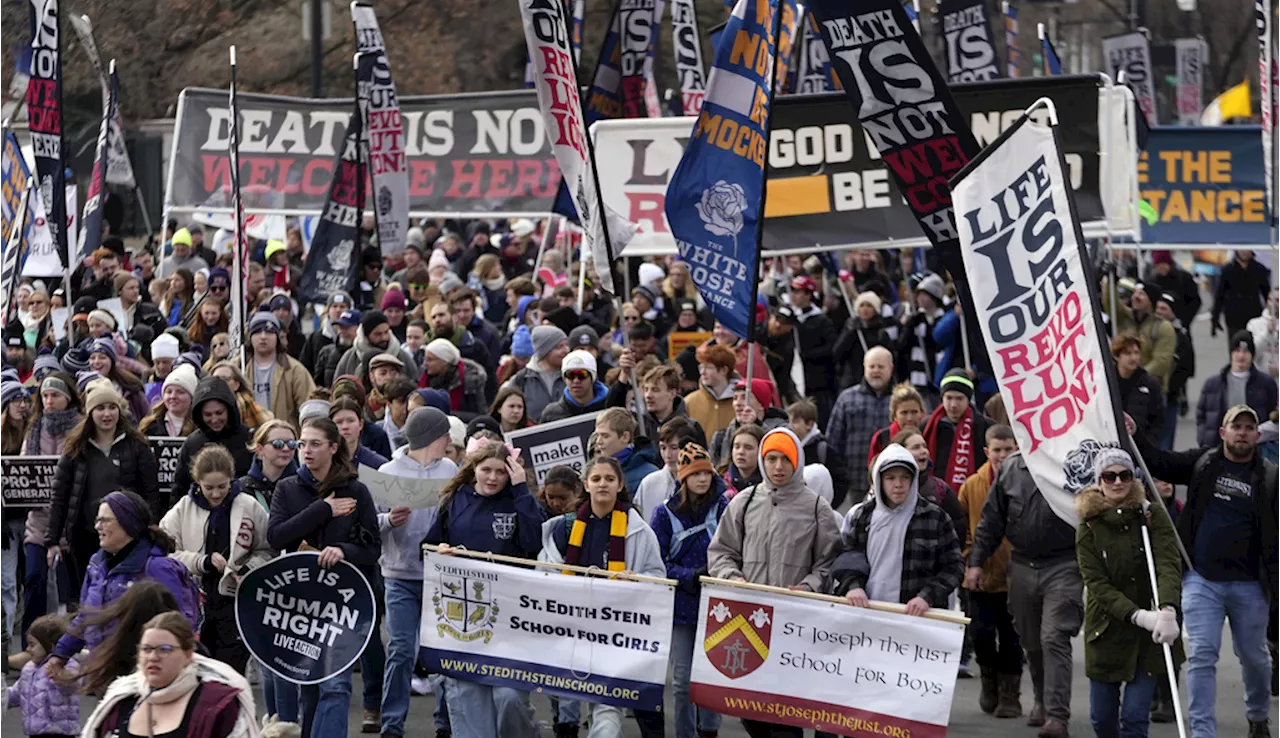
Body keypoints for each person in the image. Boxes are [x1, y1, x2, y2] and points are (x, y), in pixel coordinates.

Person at [1132, 404, 1279, 738]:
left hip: (1250, 585)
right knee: (1201, 655)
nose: (1242, 432)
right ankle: (1202, 732)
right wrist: (1134, 433)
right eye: (1235, 427)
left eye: (1248, 427)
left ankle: (1258, 716)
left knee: (1255, 660)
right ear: (1223, 433)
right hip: (1201, 580)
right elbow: (1160, 462)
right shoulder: (1204, 463)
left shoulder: (1270, 476)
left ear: (1257, 435)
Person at [707, 428, 840, 737]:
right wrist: (732, 578)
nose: (778, 467)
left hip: (795, 626)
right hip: (749, 625)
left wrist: (809, 586)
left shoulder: (817, 507)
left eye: (785, 459)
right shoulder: (745, 501)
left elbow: (829, 562)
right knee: (751, 714)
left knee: (784, 719)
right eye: (771, 459)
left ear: (798, 462)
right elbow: (721, 551)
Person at [267, 416, 381, 738]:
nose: (306, 450)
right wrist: (323, 510)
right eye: (302, 444)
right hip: (301, 606)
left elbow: (373, 548)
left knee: (336, 684)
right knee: (311, 688)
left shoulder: (356, 490)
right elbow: (276, 537)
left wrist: (344, 550)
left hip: (343, 605)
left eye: (315, 444)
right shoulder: (287, 488)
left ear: (334, 447)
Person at [540, 455, 666, 738]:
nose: (602, 485)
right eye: (596, 479)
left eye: (609, 479)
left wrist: (637, 580)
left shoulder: (639, 531)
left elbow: (658, 577)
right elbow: (541, 572)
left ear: (620, 484)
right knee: (567, 703)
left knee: (607, 714)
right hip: (571, 631)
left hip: (615, 634)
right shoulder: (564, 527)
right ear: (585, 484)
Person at [428, 440, 542, 738]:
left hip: (510, 619)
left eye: (500, 472)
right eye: (485, 470)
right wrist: (439, 551)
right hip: (463, 620)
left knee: (509, 698)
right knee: (468, 703)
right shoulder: (454, 500)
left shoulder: (519, 500)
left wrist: (521, 490)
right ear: (473, 469)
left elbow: (534, 544)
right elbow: (424, 549)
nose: (493, 478)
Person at [967, 452, 1082, 738]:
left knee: (1054, 636)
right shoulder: (1011, 468)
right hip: (1021, 565)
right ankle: (1041, 699)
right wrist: (976, 562)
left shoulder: (1075, 462)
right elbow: (991, 521)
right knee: (1030, 640)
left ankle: (1057, 715)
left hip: (1064, 564)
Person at [1076, 448, 1184, 738]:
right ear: (1099, 480)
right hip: (1106, 630)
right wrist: (1139, 616)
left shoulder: (1151, 515)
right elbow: (1096, 583)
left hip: (1147, 637)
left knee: (1135, 721)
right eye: (1109, 476)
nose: (1117, 482)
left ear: (1133, 477)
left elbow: (1168, 563)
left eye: (1124, 474)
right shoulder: (1088, 525)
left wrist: (1168, 608)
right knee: (1102, 720)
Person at [45, 490, 200, 670]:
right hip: (102, 670)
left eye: (105, 520)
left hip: (144, 672)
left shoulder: (157, 568)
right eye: (97, 520)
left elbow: (178, 624)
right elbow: (86, 617)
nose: (98, 526)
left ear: (129, 524)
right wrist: (60, 654)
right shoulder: (96, 564)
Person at [376, 408, 457, 738]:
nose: (450, 441)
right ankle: (391, 725)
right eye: (445, 435)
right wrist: (389, 521)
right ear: (430, 437)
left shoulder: (451, 469)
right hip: (399, 575)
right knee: (401, 650)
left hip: (439, 576)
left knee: (440, 653)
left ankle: (444, 723)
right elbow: (370, 526)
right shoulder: (388, 471)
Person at [160, 445, 272, 673]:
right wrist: (201, 562)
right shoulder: (182, 508)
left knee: (231, 671)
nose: (216, 494)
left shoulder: (249, 506)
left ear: (231, 479)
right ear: (197, 481)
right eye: (208, 487)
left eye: (222, 486)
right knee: (197, 671)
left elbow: (267, 550)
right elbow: (166, 551)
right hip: (195, 601)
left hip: (235, 601)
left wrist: (249, 568)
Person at [46, 386, 162, 591]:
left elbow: (150, 493)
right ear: (90, 413)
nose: (107, 414)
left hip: (128, 537)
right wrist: (53, 540)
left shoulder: (137, 445)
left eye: (112, 407)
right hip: (84, 538)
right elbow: (60, 495)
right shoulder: (75, 447)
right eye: (100, 408)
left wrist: (151, 530)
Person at [650, 443, 728, 738]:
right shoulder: (664, 514)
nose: (702, 479)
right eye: (695, 474)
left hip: (716, 605)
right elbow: (656, 563)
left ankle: (710, 731)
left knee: (712, 677)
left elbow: (734, 549)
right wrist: (690, 576)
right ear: (683, 478)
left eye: (706, 473)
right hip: (681, 605)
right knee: (682, 681)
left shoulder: (723, 507)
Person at [831, 443, 964, 613]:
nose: (898, 484)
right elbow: (847, 555)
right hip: (868, 611)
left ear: (913, 479)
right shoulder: (863, 516)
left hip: (916, 616)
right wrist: (852, 586)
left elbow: (954, 566)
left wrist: (927, 597)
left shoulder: (935, 517)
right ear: (879, 479)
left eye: (905, 477)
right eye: (890, 478)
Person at [82, 612, 258, 738]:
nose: (153, 657)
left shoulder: (217, 705)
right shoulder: (121, 700)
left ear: (188, 654)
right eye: (146, 649)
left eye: (164, 649)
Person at [957, 424, 1024, 719]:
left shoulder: (1026, 480)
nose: (1002, 455)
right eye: (997, 450)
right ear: (987, 452)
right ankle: (989, 681)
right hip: (981, 576)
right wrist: (971, 562)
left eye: (1008, 449)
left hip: (1016, 576)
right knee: (981, 634)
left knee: (1012, 637)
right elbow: (963, 530)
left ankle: (1011, 693)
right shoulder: (972, 485)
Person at [170, 376, 255, 509]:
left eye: (219, 413)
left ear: (229, 410)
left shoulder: (249, 438)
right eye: (208, 415)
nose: (214, 419)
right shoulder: (193, 443)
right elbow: (180, 487)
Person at [828, 346, 895, 505]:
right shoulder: (847, 398)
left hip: (893, 480)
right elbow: (833, 440)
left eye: (881, 366)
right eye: (872, 366)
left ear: (891, 368)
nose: (876, 370)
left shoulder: (900, 400)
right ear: (864, 367)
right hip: (856, 480)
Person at [1196, 331, 1278, 448]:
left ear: (1252, 355)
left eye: (1246, 351)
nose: (1241, 356)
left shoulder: (1266, 383)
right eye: (1237, 351)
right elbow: (1202, 415)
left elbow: (1272, 414)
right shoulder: (1213, 384)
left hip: (1255, 448)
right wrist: (1204, 440)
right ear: (1231, 353)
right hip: (1217, 446)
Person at [8, 614, 81, 738]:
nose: (28, 649)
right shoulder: (29, 669)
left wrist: (62, 677)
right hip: (35, 733)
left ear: (51, 645)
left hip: (60, 733)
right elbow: (17, 693)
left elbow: (73, 686)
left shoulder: (67, 665)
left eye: (32, 644)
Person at [922, 369, 991, 494]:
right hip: (932, 493)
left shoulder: (984, 427)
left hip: (972, 494)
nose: (953, 404)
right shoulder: (927, 426)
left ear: (968, 399)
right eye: (949, 398)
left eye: (959, 398)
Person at [245, 312, 315, 426]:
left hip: (284, 439)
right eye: (257, 331)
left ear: (277, 337)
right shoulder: (239, 369)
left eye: (269, 332)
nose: (263, 336)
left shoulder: (294, 370)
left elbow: (310, 409)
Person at [1106, 281, 1176, 391]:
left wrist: (1138, 377)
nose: (1136, 297)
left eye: (1142, 294)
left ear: (1151, 302)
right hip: (1122, 384)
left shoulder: (1163, 327)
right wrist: (1110, 284)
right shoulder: (1124, 317)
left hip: (1150, 389)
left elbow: (1161, 361)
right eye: (1135, 293)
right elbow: (1110, 303)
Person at [634, 417, 700, 521]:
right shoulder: (648, 484)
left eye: (674, 448)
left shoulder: (705, 481)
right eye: (663, 448)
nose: (667, 455)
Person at [709, 378, 785, 468]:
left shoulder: (781, 430)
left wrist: (757, 424)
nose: (737, 403)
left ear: (761, 405)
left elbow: (779, 450)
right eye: (735, 398)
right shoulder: (721, 437)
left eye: (744, 397)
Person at [335, 310, 420, 384]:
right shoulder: (350, 358)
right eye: (377, 334)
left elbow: (414, 384)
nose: (384, 337)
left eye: (386, 332)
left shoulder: (401, 356)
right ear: (366, 335)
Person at [503, 325, 570, 422]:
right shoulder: (521, 380)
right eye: (559, 347)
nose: (566, 350)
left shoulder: (572, 376)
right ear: (545, 351)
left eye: (566, 345)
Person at [1112, 333, 1165, 445]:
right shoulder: (1107, 382)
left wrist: (1149, 445)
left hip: (1142, 449)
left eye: (1136, 353)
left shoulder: (1150, 384)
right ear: (1117, 356)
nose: (1133, 358)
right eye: (1128, 353)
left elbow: (1158, 421)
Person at [594, 407, 661, 495]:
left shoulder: (649, 474)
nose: (598, 441)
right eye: (597, 435)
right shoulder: (594, 472)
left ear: (625, 437)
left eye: (605, 436)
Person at [1212, 249, 1271, 348]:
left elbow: (1267, 294)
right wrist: (1215, 318)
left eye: (1247, 249)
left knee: (1254, 346)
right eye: (1241, 249)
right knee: (1235, 346)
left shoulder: (1259, 269)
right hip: (1234, 316)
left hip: (1254, 313)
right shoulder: (1228, 270)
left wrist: (1271, 313)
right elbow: (1219, 295)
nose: (1244, 251)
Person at [682, 343, 739, 444]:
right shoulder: (689, 402)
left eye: (708, 367)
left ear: (724, 370)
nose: (702, 372)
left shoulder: (741, 401)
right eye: (701, 367)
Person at [419, 339, 488, 421]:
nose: (425, 364)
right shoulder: (424, 377)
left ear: (444, 361)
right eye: (425, 359)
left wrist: (446, 414)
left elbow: (481, 416)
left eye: (430, 360)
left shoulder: (470, 381)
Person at [86, 337, 151, 422]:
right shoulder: (84, 387)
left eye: (102, 357)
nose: (96, 361)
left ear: (112, 361)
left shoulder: (130, 387)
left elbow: (147, 416)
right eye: (92, 358)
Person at [540, 349, 608, 422]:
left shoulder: (609, 406)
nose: (576, 381)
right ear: (564, 379)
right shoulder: (551, 414)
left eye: (582, 375)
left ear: (593, 378)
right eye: (570, 375)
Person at [867, 382, 927, 465]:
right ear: (894, 415)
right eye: (904, 413)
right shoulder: (882, 438)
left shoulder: (929, 434)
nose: (909, 418)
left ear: (922, 413)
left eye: (914, 412)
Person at [300, 292, 354, 377]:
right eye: (334, 306)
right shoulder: (315, 337)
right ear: (328, 310)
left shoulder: (354, 337)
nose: (338, 310)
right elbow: (305, 367)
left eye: (342, 306)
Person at [210, 361, 274, 430]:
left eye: (224, 379)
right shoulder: (204, 405)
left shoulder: (248, 405)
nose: (219, 383)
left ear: (236, 385)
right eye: (215, 379)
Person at [330, 396, 390, 470]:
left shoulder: (377, 464)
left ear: (361, 424)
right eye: (339, 422)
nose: (345, 426)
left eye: (350, 421)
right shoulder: (322, 462)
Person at [139, 364, 198, 437]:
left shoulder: (200, 427)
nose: (173, 396)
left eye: (180, 392)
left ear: (192, 397)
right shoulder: (149, 426)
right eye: (169, 392)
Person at [1146, 250, 1201, 328]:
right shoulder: (1152, 281)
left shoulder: (1184, 278)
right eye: (1156, 265)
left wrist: (1185, 321)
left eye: (1160, 264)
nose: (1158, 268)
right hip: (1157, 324)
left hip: (1179, 323)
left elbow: (1195, 302)